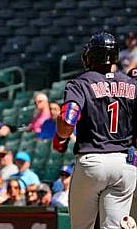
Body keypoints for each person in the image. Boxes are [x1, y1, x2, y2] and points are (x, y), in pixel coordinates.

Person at [53, 32, 137, 228]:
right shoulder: (132, 84)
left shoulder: (80, 83)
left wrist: (60, 135)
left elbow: (67, 119)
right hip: (124, 164)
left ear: (90, 56)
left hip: (92, 161)